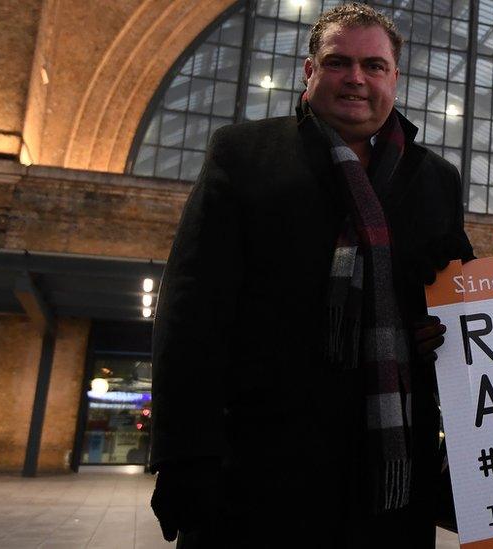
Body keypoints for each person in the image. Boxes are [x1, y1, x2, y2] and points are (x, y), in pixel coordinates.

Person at [149, 4, 472, 547]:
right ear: (309, 71)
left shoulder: (435, 179)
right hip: (261, 464)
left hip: (388, 472)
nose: (356, 79)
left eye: (374, 65)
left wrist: (440, 326)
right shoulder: (245, 154)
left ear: (395, 76)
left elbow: (458, 300)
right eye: (338, 62)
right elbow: (190, 308)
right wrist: (185, 454)